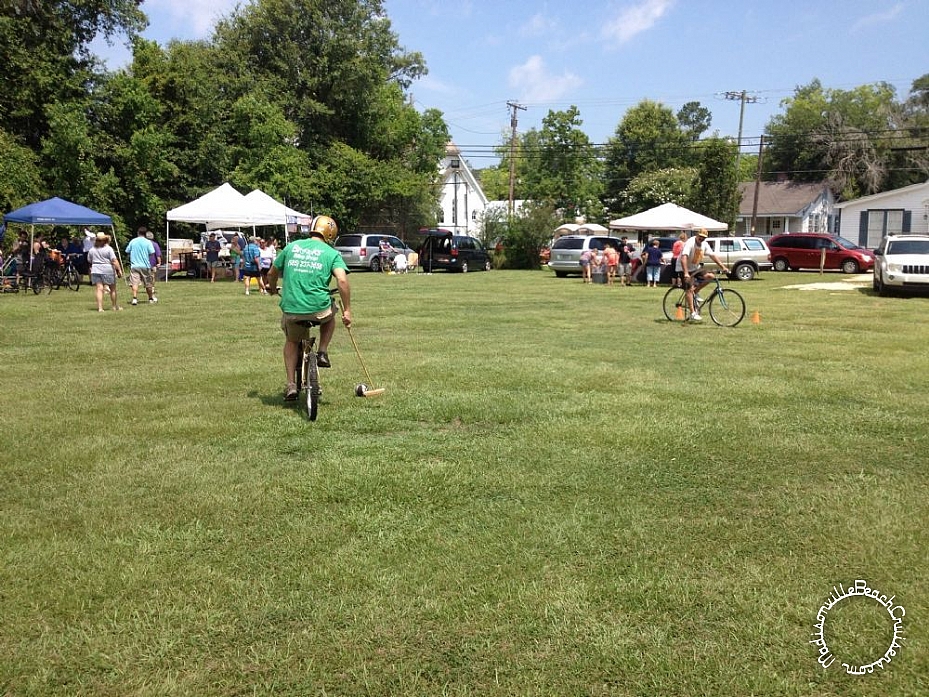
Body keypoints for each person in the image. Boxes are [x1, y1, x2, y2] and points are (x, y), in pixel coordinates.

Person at [266, 215, 351, 401]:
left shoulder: (291, 247)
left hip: (292, 308)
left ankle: (290, 384)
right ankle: (322, 351)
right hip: (319, 309)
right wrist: (347, 310)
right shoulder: (331, 253)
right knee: (331, 313)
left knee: (291, 341)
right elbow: (342, 280)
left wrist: (272, 288)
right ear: (330, 234)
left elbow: (272, 272)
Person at [676, 228, 729, 321]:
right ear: (697, 235)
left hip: (695, 267)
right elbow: (683, 258)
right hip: (683, 267)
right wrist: (686, 273)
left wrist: (723, 267)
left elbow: (712, 256)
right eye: (700, 237)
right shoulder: (690, 242)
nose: (702, 239)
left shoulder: (704, 244)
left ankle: (694, 293)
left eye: (704, 237)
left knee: (710, 276)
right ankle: (692, 312)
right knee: (688, 288)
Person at [87, 232, 123, 311]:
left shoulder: (92, 249)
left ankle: (100, 308)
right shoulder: (109, 249)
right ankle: (114, 306)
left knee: (99, 289)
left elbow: (89, 260)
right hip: (107, 269)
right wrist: (119, 270)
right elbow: (114, 261)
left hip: (95, 269)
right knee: (112, 288)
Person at [125, 226, 157, 305]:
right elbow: (152, 252)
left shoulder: (133, 241)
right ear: (145, 234)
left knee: (134, 283)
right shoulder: (148, 242)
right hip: (145, 266)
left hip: (134, 265)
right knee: (148, 283)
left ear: (138, 233)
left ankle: (135, 298)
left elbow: (127, 250)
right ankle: (150, 298)